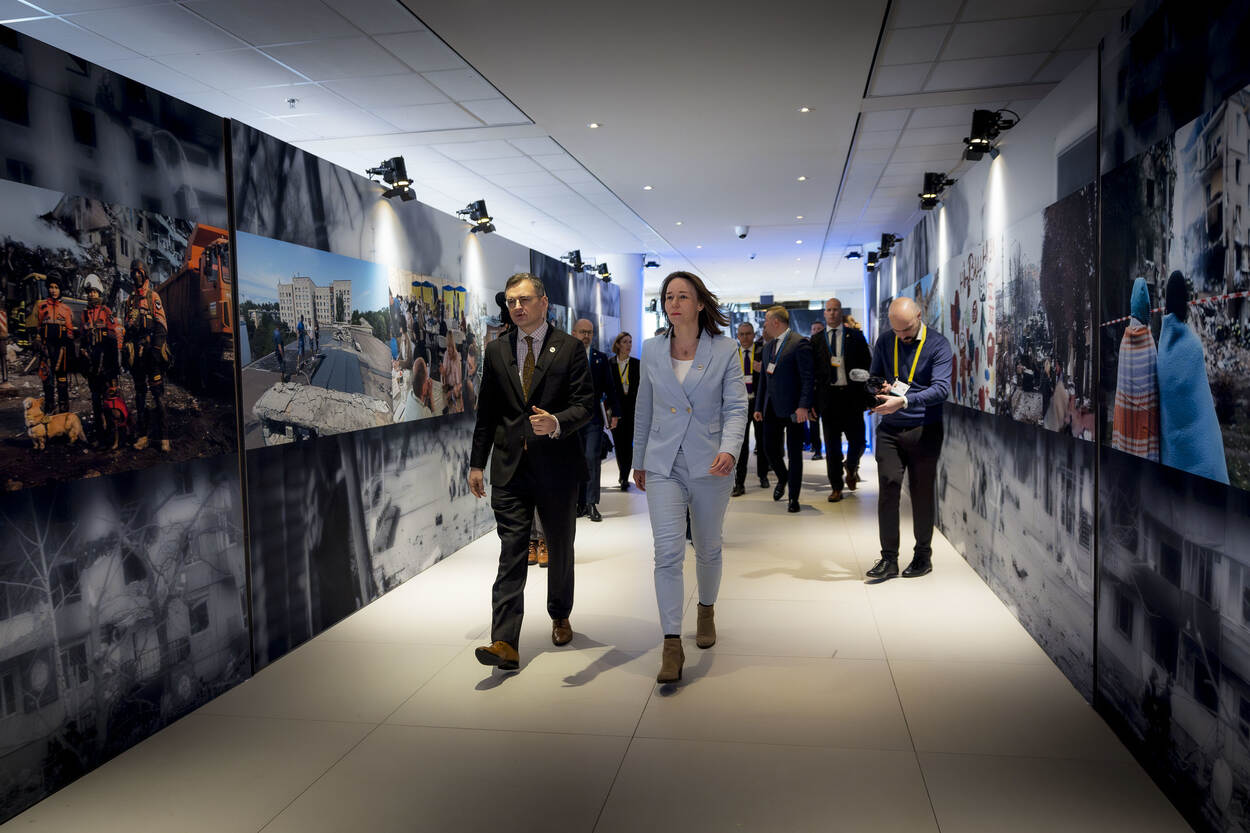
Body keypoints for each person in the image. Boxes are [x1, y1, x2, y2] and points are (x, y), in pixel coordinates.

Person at [468, 272, 594, 671]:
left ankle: (560, 614)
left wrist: (555, 422)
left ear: (543, 303)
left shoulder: (570, 348)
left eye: (523, 300)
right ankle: (504, 641)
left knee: (559, 546)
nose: (517, 307)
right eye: (511, 302)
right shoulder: (496, 350)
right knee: (512, 551)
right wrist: (476, 463)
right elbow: (487, 413)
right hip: (510, 468)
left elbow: (585, 405)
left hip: (557, 466)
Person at [633, 271, 747, 684]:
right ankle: (671, 644)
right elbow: (644, 407)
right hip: (663, 463)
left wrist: (729, 449)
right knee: (667, 552)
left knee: (708, 546)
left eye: (683, 296)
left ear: (700, 304)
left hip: (710, 462)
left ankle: (706, 610)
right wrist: (638, 459)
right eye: (669, 296)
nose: (674, 303)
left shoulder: (725, 349)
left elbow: (736, 406)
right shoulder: (651, 349)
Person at [865, 297, 953, 580]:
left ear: (919, 316)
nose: (901, 336)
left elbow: (941, 389)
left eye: (906, 330)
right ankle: (888, 559)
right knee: (888, 488)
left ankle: (922, 556)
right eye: (896, 330)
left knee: (921, 493)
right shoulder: (885, 341)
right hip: (890, 429)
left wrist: (903, 400)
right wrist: (879, 387)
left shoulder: (938, 345)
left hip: (924, 429)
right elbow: (873, 377)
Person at [1156, 270, 1229, 483]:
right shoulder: (1194, 346)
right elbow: (1202, 404)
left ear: (1167, 301)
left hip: (1173, 458)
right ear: (1186, 301)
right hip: (1203, 457)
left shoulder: (1161, 349)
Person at [811, 297, 872, 502]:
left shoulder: (855, 336)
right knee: (832, 448)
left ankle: (852, 466)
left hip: (851, 398)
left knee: (859, 442)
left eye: (835, 309)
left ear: (841, 312)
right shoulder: (816, 340)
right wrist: (812, 403)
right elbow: (812, 374)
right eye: (829, 310)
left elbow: (867, 365)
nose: (832, 313)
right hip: (828, 400)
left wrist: (868, 397)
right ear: (824, 313)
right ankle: (836, 487)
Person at [753, 305, 814, 513]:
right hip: (771, 408)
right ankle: (783, 477)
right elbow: (764, 380)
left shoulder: (799, 343)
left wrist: (803, 406)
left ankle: (793, 498)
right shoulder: (768, 347)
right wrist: (759, 406)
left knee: (795, 454)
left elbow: (808, 378)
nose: (764, 326)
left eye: (766, 322)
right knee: (769, 449)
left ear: (776, 322)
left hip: (794, 409)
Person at [572, 318, 621, 521]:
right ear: (574, 333)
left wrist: (615, 413)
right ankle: (579, 503)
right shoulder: (565, 356)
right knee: (576, 460)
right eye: (582, 332)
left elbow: (610, 387)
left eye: (589, 332)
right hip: (571, 419)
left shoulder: (599, 358)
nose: (586, 336)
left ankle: (591, 503)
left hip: (593, 418)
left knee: (592, 457)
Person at [122, 259, 171, 452]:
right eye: (133, 273)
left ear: (145, 275)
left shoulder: (153, 297)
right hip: (137, 356)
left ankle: (164, 437)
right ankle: (143, 436)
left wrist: (156, 350)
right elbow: (127, 328)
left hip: (152, 354)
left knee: (158, 396)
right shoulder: (129, 301)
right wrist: (126, 350)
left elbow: (162, 326)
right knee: (140, 396)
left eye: (139, 272)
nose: (136, 276)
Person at [1111, 277, 1160, 461]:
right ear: (1147, 308)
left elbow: (1121, 388)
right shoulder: (1149, 343)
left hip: (1126, 426)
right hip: (1144, 434)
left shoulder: (1124, 342)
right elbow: (1154, 388)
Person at [79, 274, 122, 448]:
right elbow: (83, 340)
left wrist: (113, 369)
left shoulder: (106, 312)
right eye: (89, 291)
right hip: (92, 368)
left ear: (99, 292)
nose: (92, 294)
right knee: (96, 403)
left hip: (106, 367)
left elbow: (113, 342)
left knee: (109, 403)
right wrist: (83, 358)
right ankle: (100, 437)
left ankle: (113, 437)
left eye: (95, 291)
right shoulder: (84, 314)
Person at [732, 321, 769, 495]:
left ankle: (763, 475)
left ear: (753, 335)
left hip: (758, 403)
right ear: (738, 336)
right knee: (742, 444)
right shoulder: (733, 355)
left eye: (748, 334)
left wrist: (763, 369)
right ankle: (739, 483)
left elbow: (772, 375)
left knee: (762, 441)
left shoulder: (763, 352)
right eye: (742, 334)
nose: (745, 337)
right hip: (740, 404)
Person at [33, 271, 75, 414]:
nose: (53, 290)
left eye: (56, 287)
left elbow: (70, 331)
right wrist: (38, 341)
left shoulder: (66, 309)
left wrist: (70, 351)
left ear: (60, 289)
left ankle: (64, 412)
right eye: (51, 287)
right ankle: (49, 412)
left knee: (62, 382)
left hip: (61, 351)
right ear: (48, 288)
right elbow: (39, 327)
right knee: (48, 382)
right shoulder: (41, 306)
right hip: (46, 350)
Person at [607, 332, 640, 490]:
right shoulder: (610, 364)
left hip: (632, 408)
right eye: (625, 342)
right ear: (618, 344)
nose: (629, 345)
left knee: (629, 443)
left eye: (630, 342)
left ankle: (625, 476)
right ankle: (623, 474)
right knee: (619, 444)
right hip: (616, 409)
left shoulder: (636, 364)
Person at [807, 320, 825, 460]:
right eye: (814, 329)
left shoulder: (828, 346)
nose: (816, 331)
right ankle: (817, 449)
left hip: (826, 392)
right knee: (813, 423)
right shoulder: (807, 348)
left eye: (819, 328)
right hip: (813, 392)